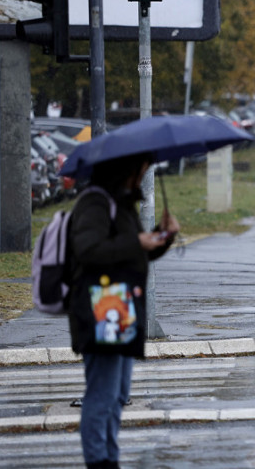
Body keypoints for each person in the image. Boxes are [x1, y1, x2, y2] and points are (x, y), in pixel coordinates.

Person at [67, 153, 179, 469]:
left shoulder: (120, 203)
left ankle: (109, 458)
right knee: (102, 394)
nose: (142, 175)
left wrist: (163, 237)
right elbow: (89, 250)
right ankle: (99, 461)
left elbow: (134, 252)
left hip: (120, 311)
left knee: (117, 394)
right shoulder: (94, 203)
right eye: (139, 169)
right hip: (99, 311)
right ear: (123, 171)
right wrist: (138, 241)